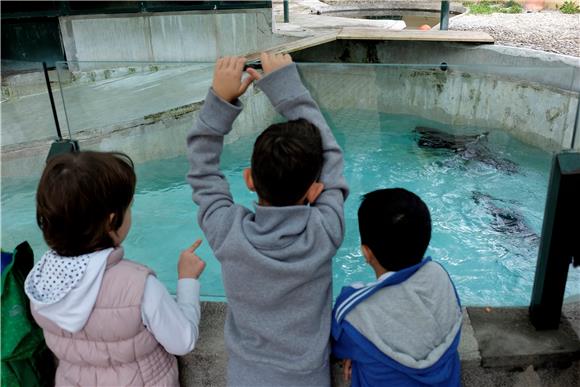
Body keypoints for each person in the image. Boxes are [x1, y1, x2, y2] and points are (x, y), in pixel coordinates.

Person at [186, 53, 348, 386]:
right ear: (315, 190)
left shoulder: (228, 232)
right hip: (309, 377)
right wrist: (287, 88)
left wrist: (219, 100)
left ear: (248, 179)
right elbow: (332, 155)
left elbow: (202, 172)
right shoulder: (324, 231)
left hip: (246, 376)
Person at [24, 151, 206, 386]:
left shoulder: (40, 282)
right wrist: (187, 279)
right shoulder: (138, 285)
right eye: (129, 207)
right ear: (112, 220)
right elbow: (183, 341)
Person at [332, 188, 462, 387]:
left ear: (366, 253)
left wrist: (355, 350)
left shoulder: (354, 313)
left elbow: (336, 347)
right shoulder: (439, 275)